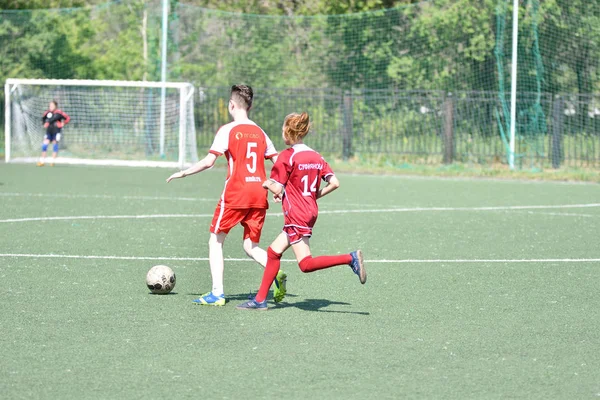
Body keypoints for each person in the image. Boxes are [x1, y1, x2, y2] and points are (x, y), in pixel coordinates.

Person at [166, 84, 287, 306]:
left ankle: (217, 294)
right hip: (259, 194)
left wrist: (183, 173)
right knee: (251, 246)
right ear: (250, 105)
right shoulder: (260, 131)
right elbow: (278, 161)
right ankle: (275, 272)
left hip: (236, 194)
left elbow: (209, 162)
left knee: (216, 240)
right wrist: (280, 187)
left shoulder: (228, 130)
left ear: (231, 104)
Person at [236, 112, 366, 311]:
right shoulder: (315, 156)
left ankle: (350, 258)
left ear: (289, 132)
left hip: (296, 215)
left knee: (305, 264)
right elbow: (335, 183)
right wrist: (312, 196)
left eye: (282, 130)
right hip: (309, 212)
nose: (282, 134)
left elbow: (278, 187)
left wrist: (267, 183)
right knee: (273, 252)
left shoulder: (288, 156)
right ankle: (260, 299)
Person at [38, 100, 70, 167]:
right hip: (49, 131)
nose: (51, 107)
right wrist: (44, 124)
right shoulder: (47, 113)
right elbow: (43, 120)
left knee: (55, 144)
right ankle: (42, 161)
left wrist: (63, 123)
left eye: (52, 106)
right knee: (44, 145)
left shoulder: (59, 113)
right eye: (50, 106)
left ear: (56, 106)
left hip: (56, 131)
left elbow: (67, 118)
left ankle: (52, 161)